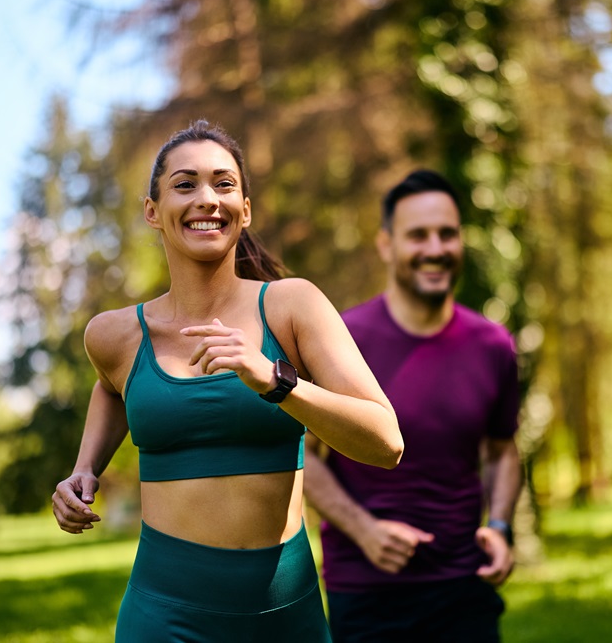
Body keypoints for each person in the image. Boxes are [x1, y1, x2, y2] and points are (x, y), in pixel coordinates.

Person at [50, 120, 403, 642]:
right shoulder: (114, 335)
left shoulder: (291, 306)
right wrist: (84, 469)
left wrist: (275, 381)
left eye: (224, 183)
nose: (207, 199)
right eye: (185, 184)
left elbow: (386, 443)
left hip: (286, 616)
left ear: (245, 209)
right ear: (153, 211)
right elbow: (112, 386)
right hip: (164, 616)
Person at [304, 169, 523, 642]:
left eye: (447, 233)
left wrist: (501, 525)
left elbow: (503, 449)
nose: (435, 248)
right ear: (386, 245)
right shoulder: (343, 340)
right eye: (418, 235)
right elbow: (305, 457)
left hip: (466, 591)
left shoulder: (492, 344)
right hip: (366, 597)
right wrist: (363, 529)